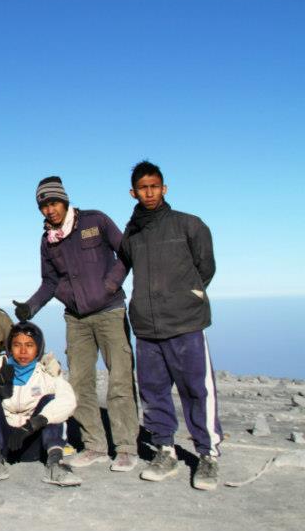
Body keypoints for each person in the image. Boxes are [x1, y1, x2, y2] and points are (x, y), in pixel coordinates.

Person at [12, 176, 139, 472]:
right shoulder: (47, 241)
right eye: (43, 206)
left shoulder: (95, 221)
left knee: (119, 378)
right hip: (76, 318)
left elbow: (126, 252)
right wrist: (30, 307)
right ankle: (95, 445)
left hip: (110, 312)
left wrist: (110, 284)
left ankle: (126, 447)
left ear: (64, 201)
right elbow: (50, 281)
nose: (49, 210)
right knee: (80, 382)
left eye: (53, 203)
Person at [119, 161, 221, 490]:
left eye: (155, 186)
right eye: (142, 188)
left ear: (164, 188)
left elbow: (205, 267)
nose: (149, 192)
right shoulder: (132, 232)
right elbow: (127, 266)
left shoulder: (189, 225)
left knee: (196, 389)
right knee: (153, 391)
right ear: (133, 192)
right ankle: (165, 449)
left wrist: (186, 296)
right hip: (147, 327)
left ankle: (208, 455)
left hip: (185, 323)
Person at [0, 321, 80, 486]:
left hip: (33, 440)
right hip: (1, 443)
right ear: (10, 347)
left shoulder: (47, 371)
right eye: (17, 345)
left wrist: (34, 424)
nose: (23, 351)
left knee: (51, 401)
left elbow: (68, 400)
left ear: (38, 348)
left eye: (29, 345)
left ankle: (55, 464)